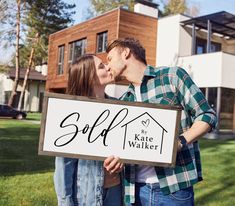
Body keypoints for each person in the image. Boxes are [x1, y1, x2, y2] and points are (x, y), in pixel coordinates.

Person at [104, 37, 217, 205]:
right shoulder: (123, 101)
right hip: (135, 191)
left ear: (126, 53)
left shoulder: (172, 77)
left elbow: (207, 115)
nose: (107, 66)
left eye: (110, 59)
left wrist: (179, 142)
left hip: (174, 189)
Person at [54, 54, 123, 206]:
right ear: (89, 77)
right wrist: (65, 202)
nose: (108, 67)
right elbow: (63, 165)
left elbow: (126, 148)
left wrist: (122, 159)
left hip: (117, 193)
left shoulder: (120, 106)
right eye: (101, 66)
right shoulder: (72, 113)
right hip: (86, 197)